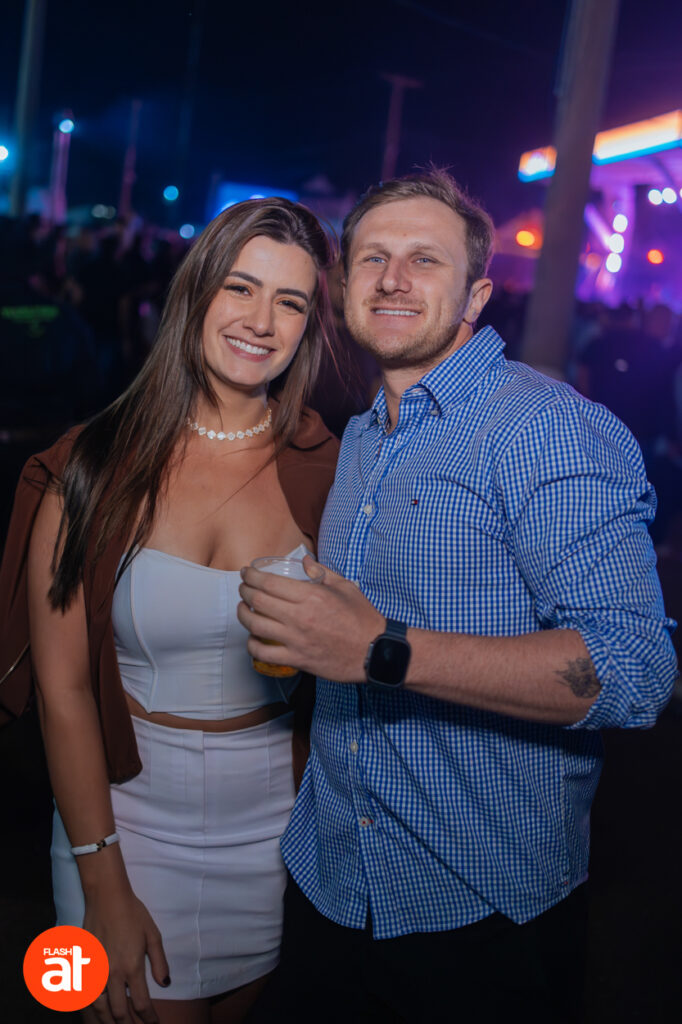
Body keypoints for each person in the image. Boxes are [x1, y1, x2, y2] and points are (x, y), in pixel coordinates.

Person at [238, 170, 678, 1023]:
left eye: (425, 260)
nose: (393, 279)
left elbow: (634, 668)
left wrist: (379, 650)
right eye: (373, 258)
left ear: (477, 294)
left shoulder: (543, 428)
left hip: (477, 914)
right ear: (344, 287)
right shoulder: (364, 433)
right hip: (333, 877)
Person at [0, 197, 339, 1024]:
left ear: (308, 326)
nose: (261, 321)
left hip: (277, 834)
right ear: (196, 293)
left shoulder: (330, 469)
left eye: (290, 302)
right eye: (240, 288)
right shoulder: (95, 464)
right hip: (121, 819)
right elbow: (64, 692)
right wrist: (103, 881)